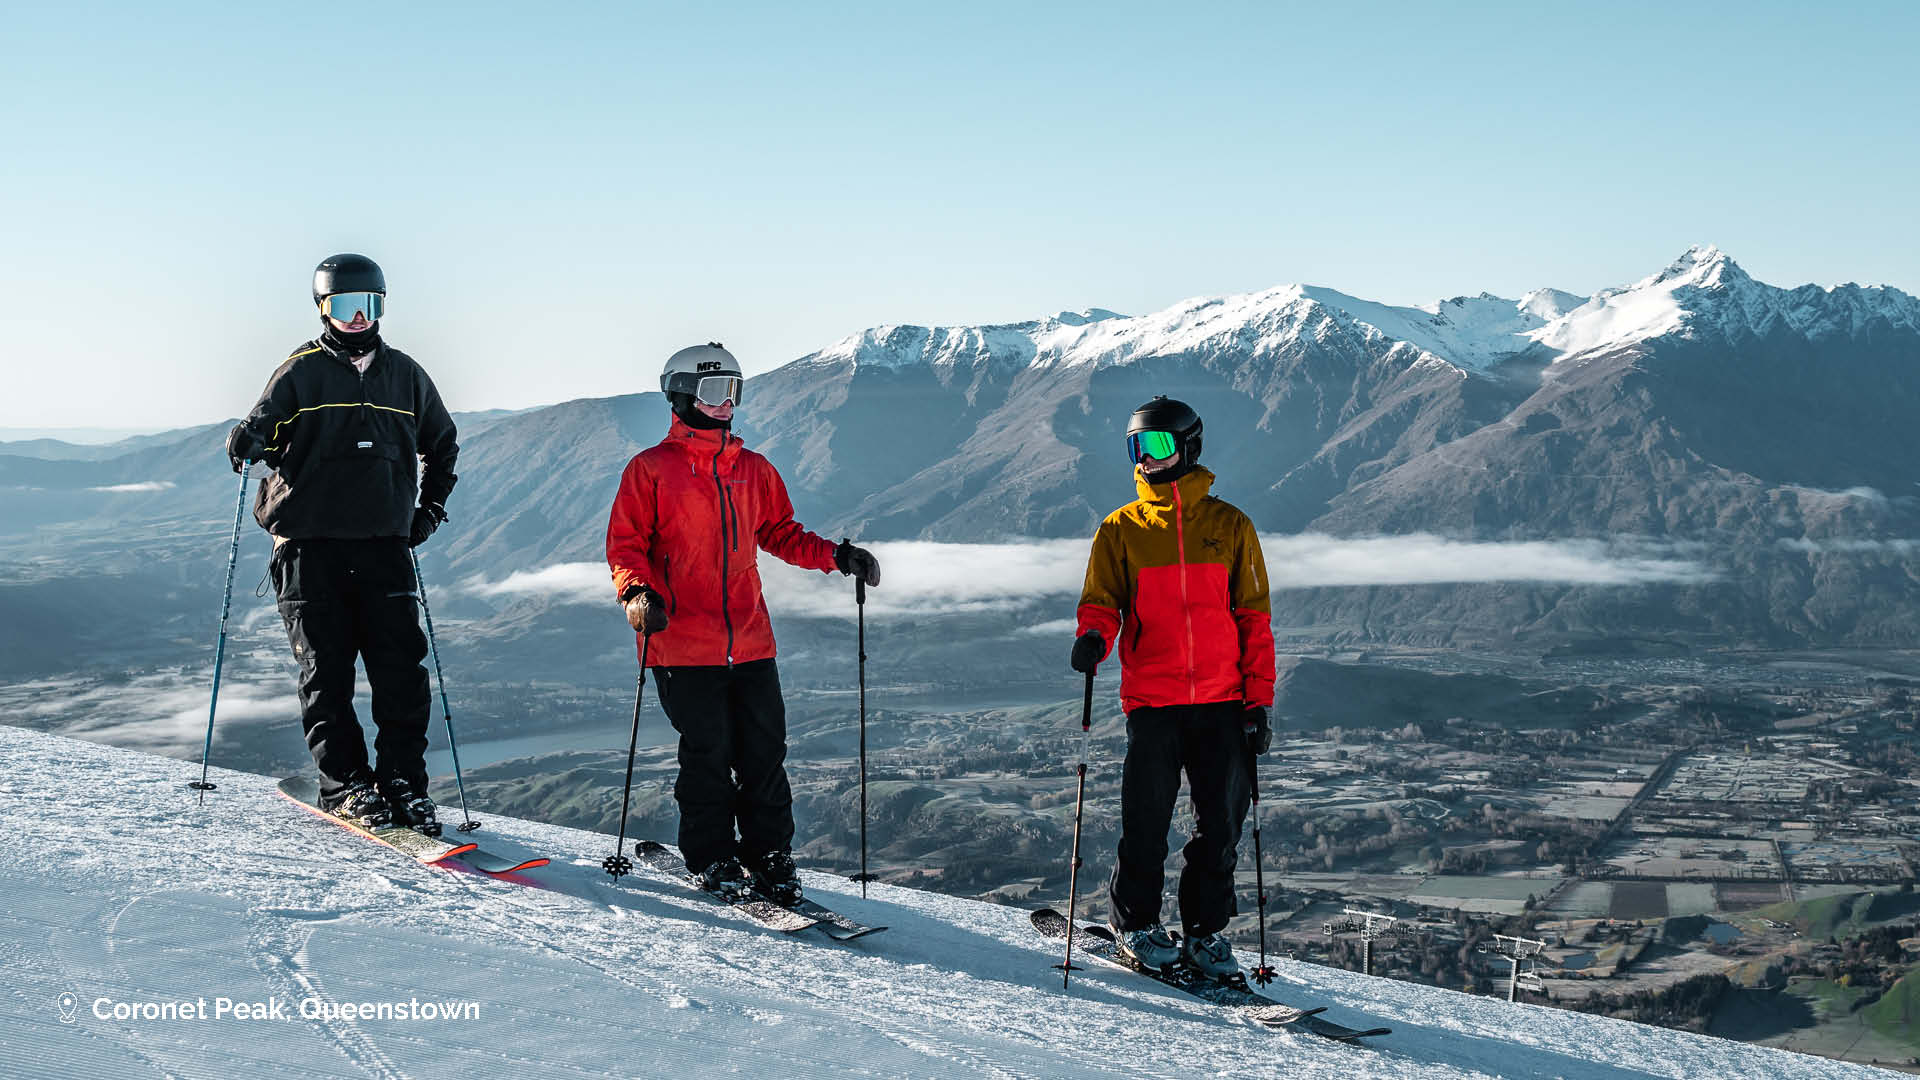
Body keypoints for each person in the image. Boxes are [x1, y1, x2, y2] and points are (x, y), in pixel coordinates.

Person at [605, 342, 880, 903]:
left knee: (763, 756)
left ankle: (770, 856)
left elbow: (780, 532)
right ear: (681, 394)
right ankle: (712, 858)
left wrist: (837, 556)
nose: (726, 402)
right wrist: (635, 593)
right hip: (681, 643)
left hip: (751, 643)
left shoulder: (753, 470)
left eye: (733, 390)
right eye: (712, 390)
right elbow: (625, 545)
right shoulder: (651, 470)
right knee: (707, 756)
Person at [225, 253, 459, 833]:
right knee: (326, 672)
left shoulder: (405, 374)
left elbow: (443, 444)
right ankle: (347, 784)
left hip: (384, 545)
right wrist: (247, 439)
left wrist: (427, 512)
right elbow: (262, 431)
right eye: (345, 306)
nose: (358, 318)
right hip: (309, 545)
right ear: (323, 309)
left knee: (401, 673)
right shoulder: (299, 372)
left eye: (369, 306)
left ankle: (404, 784)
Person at [1070, 396, 1275, 980]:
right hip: (1154, 702)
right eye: (1137, 447)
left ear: (1188, 447)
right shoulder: (1120, 529)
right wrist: (1092, 638)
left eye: (1157, 445)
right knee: (1147, 820)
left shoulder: (1230, 526)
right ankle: (1135, 924)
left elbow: (1254, 620)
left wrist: (1259, 700)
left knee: (1219, 828)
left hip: (1222, 702)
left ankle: (1205, 935)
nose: (1145, 459)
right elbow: (1101, 603)